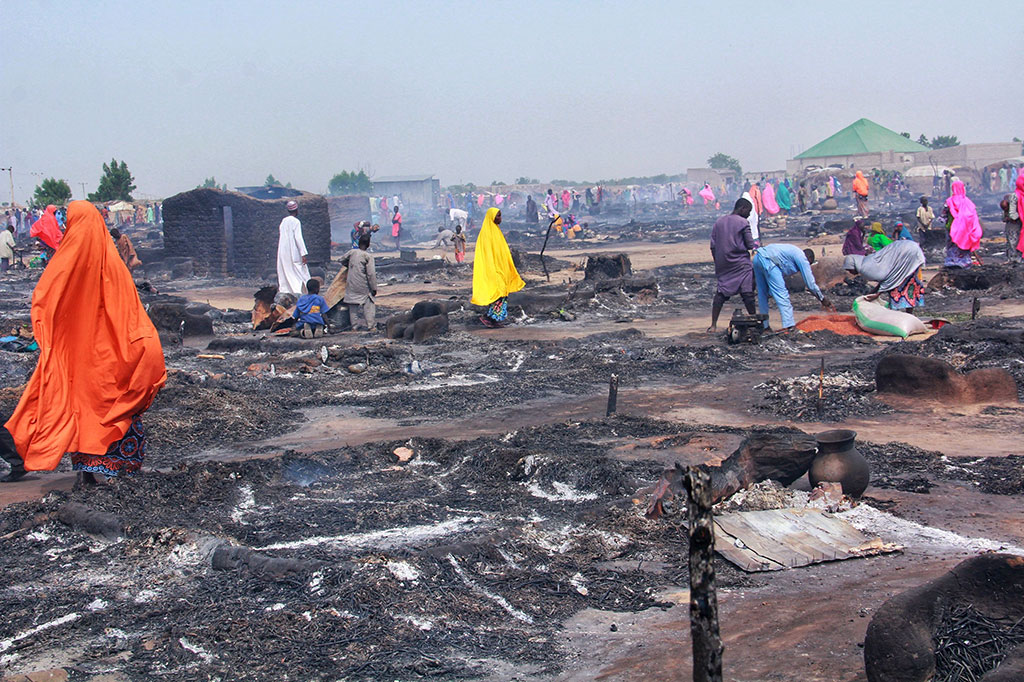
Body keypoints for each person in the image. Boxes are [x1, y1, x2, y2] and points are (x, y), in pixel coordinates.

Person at [0, 201, 166, 484]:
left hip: (80, 357)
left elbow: (45, 301)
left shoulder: (65, 262)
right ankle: (117, 469)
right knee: (113, 410)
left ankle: (87, 472)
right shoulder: (112, 263)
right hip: (114, 355)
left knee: (83, 411)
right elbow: (130, 314)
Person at [753, 243, 832, 332]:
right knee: (782, 295)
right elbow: (810, 284)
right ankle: (789, 326)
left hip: (757, 258)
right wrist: (822, 298)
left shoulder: (793, 252)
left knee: (762, 294)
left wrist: (771, 292)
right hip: (769, 261)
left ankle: (765, 326)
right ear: (809, 259)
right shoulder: (802, 258)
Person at [708, 198, 757, 332]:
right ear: (742, 209)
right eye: (748, 211)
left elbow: (713, 245)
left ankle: (713, 325)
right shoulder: (743, 223)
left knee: (721, 293)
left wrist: (718, 261)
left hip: (723, 264)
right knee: (747, 294)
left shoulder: (719, 222)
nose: (748, 214)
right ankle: (754, 320)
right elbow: (750, 245)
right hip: (740, 263)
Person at [471, 208, 524, 328]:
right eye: (498, 216)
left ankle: (494, 319)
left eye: (500, 216)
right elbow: (486, 255)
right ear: (492, 217)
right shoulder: (486, 234)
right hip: (493, 269)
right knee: (498, 292)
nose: (500, 218)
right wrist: (492, 270)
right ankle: (490, 318)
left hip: (500, 268)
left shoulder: (496, 231)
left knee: (502, 293)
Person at [844, 240, 927, 311]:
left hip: (908, 254)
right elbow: (884, 279)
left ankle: (898, 315)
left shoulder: (864, 269)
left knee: (899, 288)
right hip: (911, 250)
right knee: (908, 286)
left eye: (849, 270)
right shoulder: (867, 261)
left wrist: (877, 293)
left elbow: (887, 280)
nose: (850, 273)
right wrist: (872, 293)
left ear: (853, 265)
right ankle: (908, 315)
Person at [341, 233, 377, 331]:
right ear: (368, 245)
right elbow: (371, 274)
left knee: (352, 304)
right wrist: (374, 288)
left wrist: (350, 266)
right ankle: (370, 325)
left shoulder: (352, 252)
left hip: (351, 282)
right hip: (363, 284)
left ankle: (354, 326)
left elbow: (342, 259)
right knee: (368, 302)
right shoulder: (368, 256)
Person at [944, 180, 982, 268]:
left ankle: (952, 262)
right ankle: (965, 262)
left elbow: (943, 216)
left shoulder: (949, 202)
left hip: (951, 229)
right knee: (965, 246)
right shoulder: (968, 202)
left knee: (952, 246)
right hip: (966, 230)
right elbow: (973, 217)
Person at [277, 200, 310, 295]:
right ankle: (299, 292)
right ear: (297, 210)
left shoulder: (283, 221)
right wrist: (303, 253)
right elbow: (298, 238)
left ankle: (287, 291)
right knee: (299, 271)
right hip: (294, 250)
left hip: (283, 251)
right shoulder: (296, 222)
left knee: (286, 270)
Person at [1002, 175, 1024, 264]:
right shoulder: (1014, 196)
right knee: (1013, 242)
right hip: (1014, 224)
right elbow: (1012, 213)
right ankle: (1013, 262)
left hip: (1021, 223)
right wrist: (1020, 218)